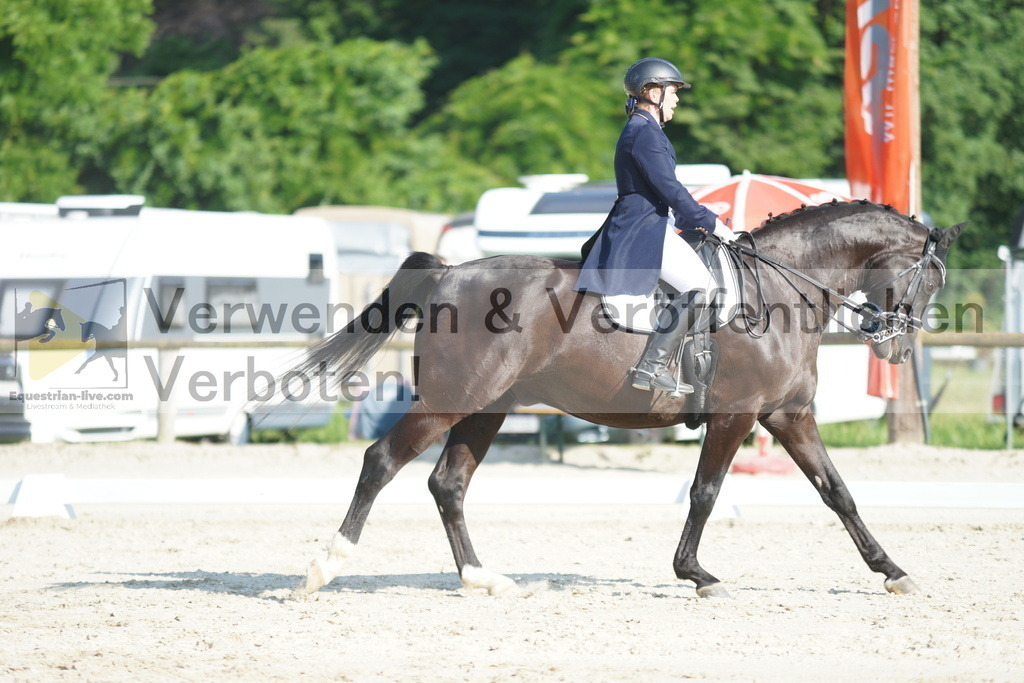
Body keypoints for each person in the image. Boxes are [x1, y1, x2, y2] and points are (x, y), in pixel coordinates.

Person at [575, 57, 735, 394]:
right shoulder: (643, 132)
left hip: (648, 223)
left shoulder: (644, 130)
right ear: (651, 92)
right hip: (641, 228)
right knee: (702, 288)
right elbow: (671, 189)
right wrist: (712, 224)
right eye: (672, 91)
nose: (676, 99)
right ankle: (652, 366)